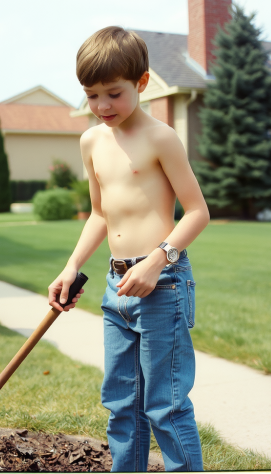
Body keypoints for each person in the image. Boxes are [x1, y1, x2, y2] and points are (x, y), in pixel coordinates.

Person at [48, 26, 210, 472]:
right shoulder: (91, 141)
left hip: (162, 284)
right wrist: (71, 266)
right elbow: (100, 215)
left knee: (165, 406)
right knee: (121, 404)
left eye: (114, 94)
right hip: (114, 284)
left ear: (141, 83)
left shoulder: (162, 138)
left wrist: (158, 262)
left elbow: (197, 212)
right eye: (91, 95)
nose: (102, 106)